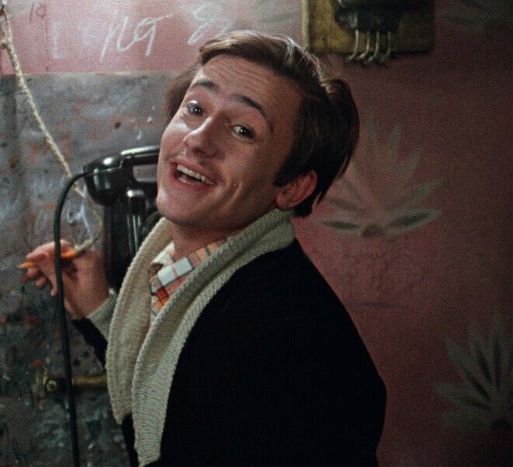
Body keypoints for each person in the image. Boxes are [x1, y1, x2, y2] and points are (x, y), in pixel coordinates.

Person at [25, 30, 386, 466]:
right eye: (195, 108)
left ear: (292, 187)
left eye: (242, 130)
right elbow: (176, 399)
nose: (198, 139)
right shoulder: (185, 271)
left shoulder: (297, 340)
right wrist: (101, 311)